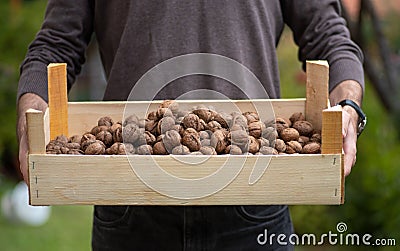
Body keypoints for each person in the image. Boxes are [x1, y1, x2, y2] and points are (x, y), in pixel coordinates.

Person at [17, 1, 365, 250]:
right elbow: (55, 45)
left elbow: (328, 35)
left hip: (253, 197)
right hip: (131, 203)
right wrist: (30, 116)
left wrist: (348, 105)